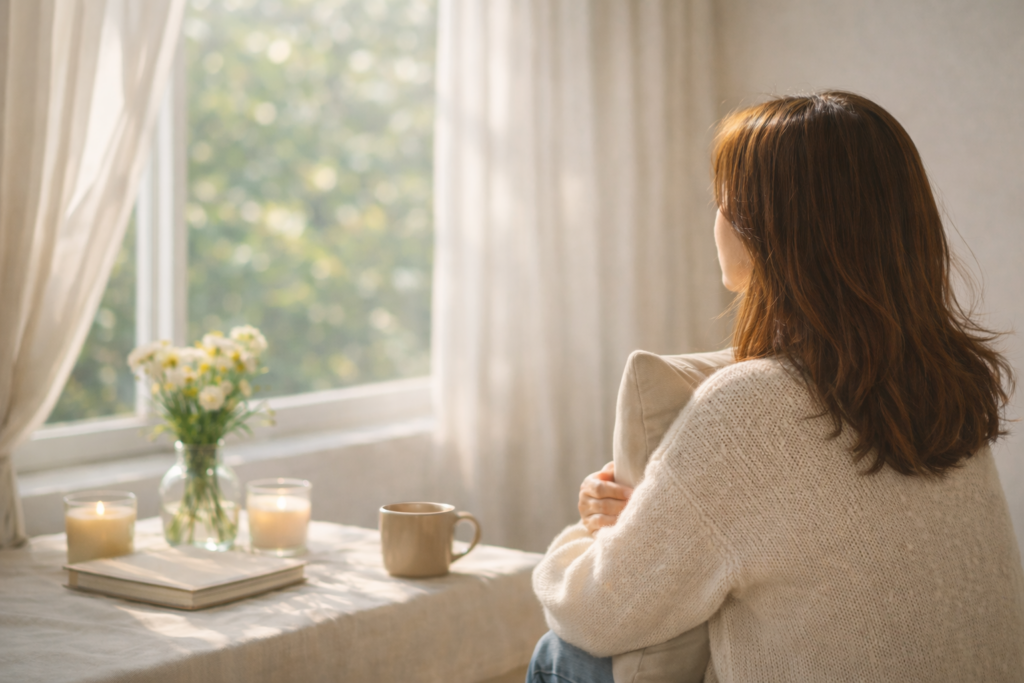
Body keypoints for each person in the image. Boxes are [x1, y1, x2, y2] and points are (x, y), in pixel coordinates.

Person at [527, 91, 1024, 683]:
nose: (715, 221)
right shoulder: (945, 383)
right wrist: (649, 523)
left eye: (724, 202)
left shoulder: (750, 408)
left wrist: (585, 538)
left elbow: (595, 614)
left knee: (560, 656)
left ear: (774, 230)